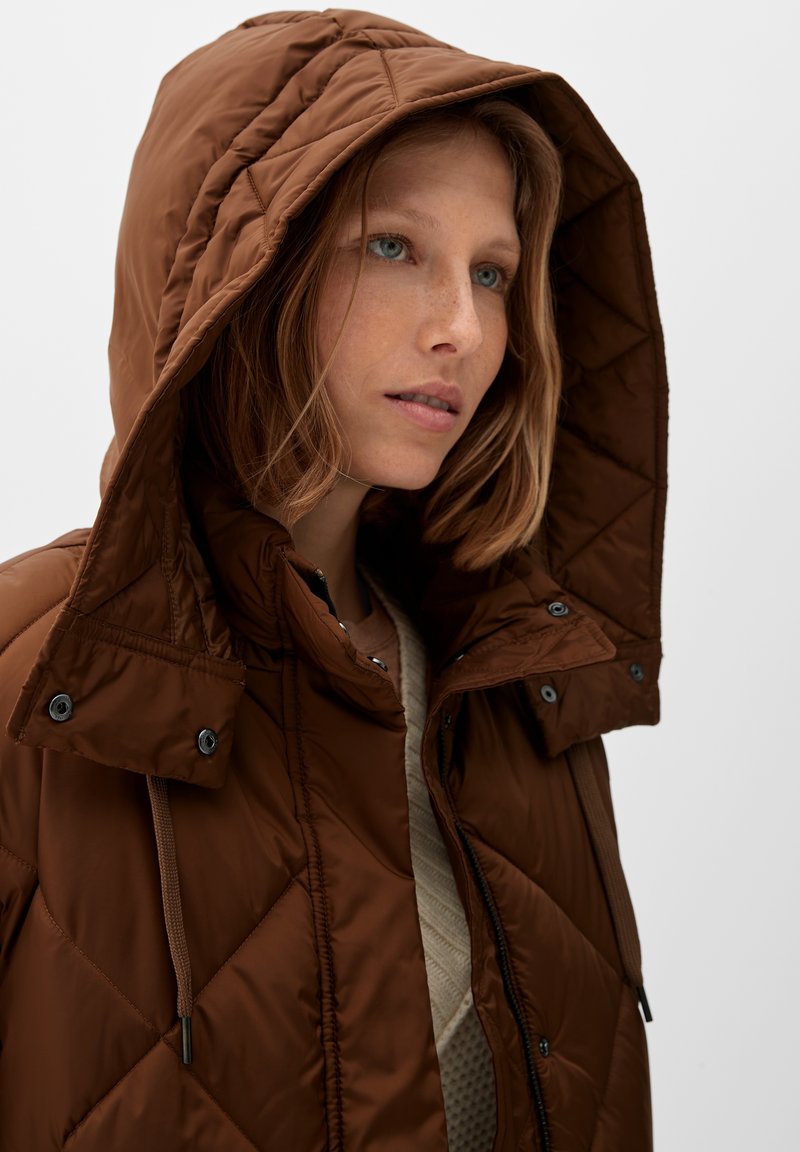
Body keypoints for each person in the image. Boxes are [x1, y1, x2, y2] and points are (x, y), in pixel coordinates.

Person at [0, 9, 667, 1151]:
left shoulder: (513, 684)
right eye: (393, 247)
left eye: (493, 273)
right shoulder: (36, 674)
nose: (463, 328)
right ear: (242, 272)